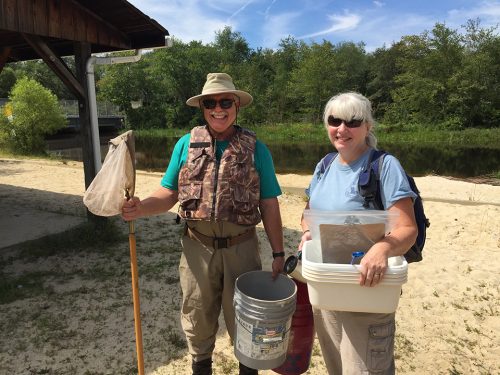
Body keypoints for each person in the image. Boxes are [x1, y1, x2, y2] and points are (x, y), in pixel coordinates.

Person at [121, 72, 285, 375]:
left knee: (245, 323)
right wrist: (140, 208)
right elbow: (168, 193)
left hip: (242, 249)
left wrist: (278, 253)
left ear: (236, 105)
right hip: (197, 248)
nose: (218, 108)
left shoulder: (256, 148)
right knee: (197, 319)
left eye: (225, 102)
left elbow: (269, 203)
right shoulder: (185, 144)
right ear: (202, 108)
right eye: (211, 103)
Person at [299, 92, 417, 374]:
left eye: (353, 121)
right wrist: (307, 233)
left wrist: (381, 249)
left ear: (368, 126)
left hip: (368, 288)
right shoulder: (324, 165)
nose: (342, 129)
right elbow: (309, 212)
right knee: (336, 366)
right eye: (334, 120)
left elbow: (408, 229)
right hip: (327, 286)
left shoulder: (385, 166)